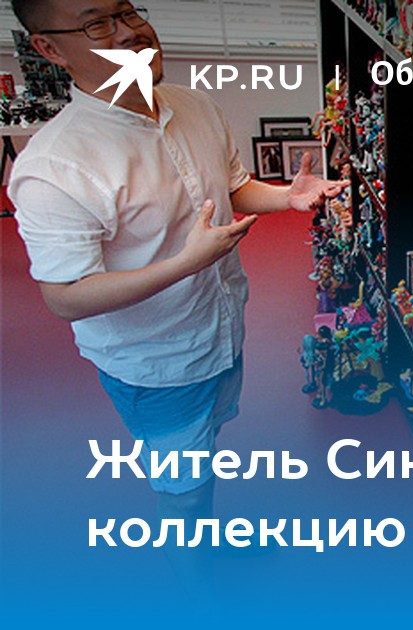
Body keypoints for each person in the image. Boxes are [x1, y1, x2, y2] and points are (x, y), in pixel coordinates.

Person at [8, 0, 348, 598]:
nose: (130, 33)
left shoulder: (194, 105)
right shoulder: (54, 167)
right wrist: (186, 263)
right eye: (97, 24)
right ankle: (195, 593)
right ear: (49, 49)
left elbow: (232, 187)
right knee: (182, 488)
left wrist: (286, 198)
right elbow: (65, 297)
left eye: (126, 11)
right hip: (155, 363)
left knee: (204, 454)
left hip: (220, 328)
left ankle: (205, 541)